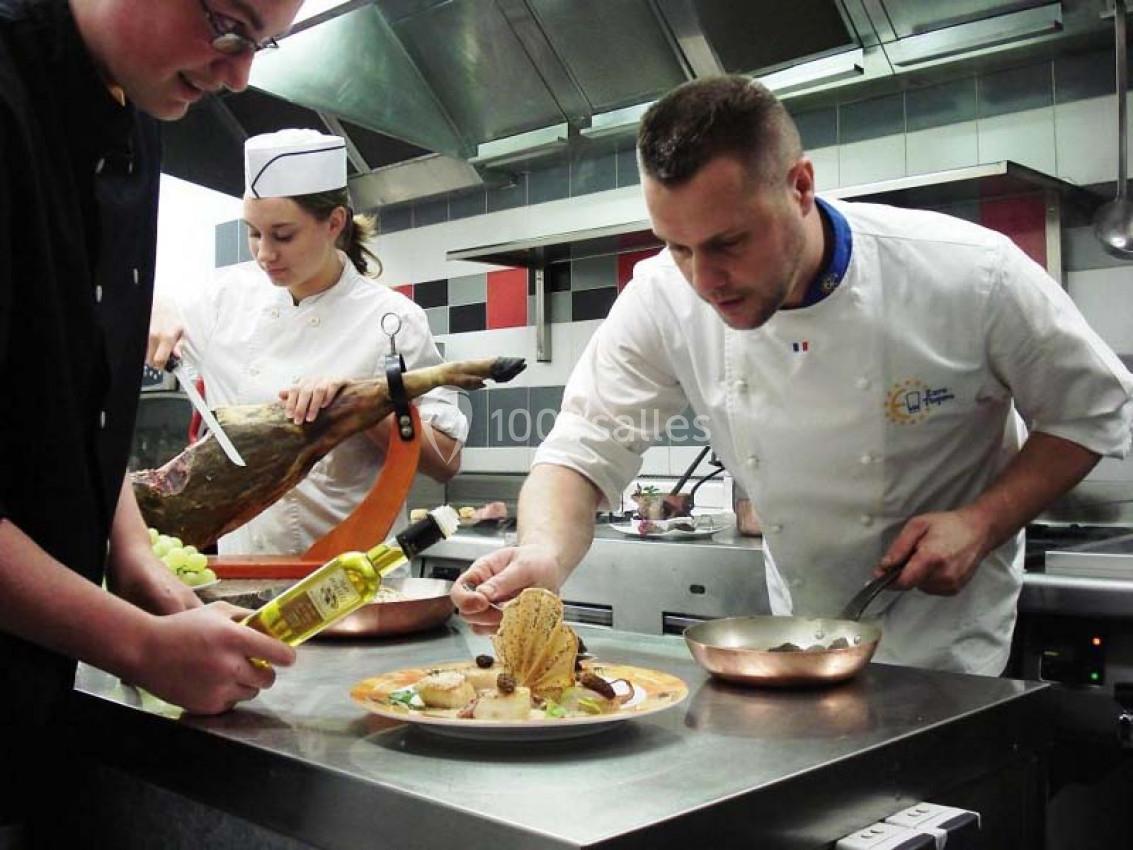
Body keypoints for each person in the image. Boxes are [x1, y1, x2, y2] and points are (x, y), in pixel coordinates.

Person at [453, 74, 1133, 676]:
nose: (703, 279)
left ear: (800, 186)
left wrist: (982, 522)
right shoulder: (663, 295)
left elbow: (1090, 409)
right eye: (677, 247)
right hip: (798, 633)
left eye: (727, 243)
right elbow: (581, 449)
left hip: (946, 644)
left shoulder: (968, 272)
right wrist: (542, 554)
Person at [0, 0, 303, 843]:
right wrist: (133, 645)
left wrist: (134, 560)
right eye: (229, 23)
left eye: (263, 44)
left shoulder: (137, 116)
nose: (239, 74)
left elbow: (76, 402)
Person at [147, 128, 467, 557]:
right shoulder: (224, 299)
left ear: (334, 223)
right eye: (254, 234)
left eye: (283, 235)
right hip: (241, 579)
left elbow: (445, 460)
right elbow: (135, 307)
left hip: (351, 582)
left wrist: (358, 407)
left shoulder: (391, 320)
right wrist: (154, 307)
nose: (264, 254)